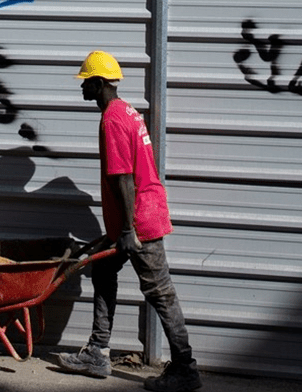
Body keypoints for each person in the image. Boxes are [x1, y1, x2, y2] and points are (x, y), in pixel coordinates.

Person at [57, 50, 202, 392]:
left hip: (138, 221)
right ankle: (97, 352)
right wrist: (113, 233)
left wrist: (126, 231)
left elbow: (123, 178)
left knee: (161, 293)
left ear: (98, 83)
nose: (81, 89)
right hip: (135, 217)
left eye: (85, 83)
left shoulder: (112, 119)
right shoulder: (127, 112)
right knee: (105, 271)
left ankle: (185, 368)